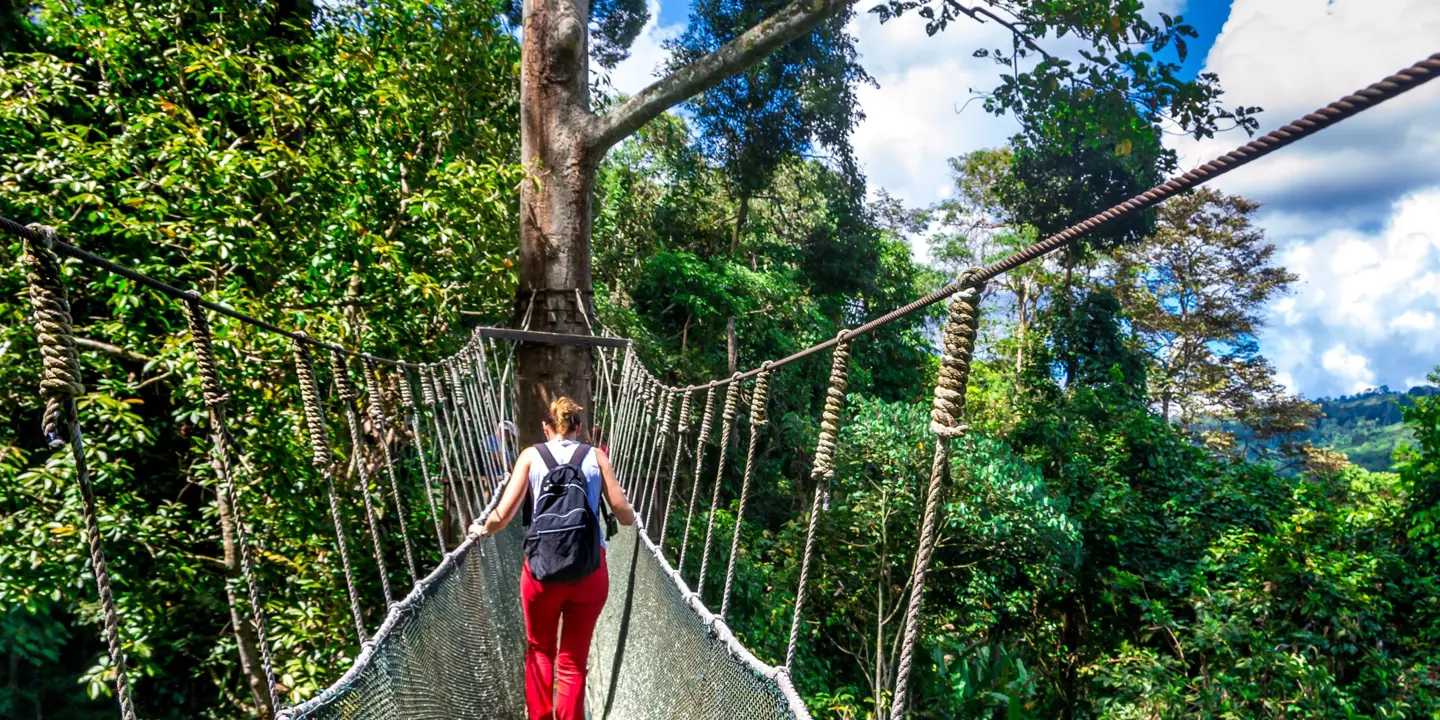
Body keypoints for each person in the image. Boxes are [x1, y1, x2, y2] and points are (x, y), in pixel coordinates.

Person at [469, 396, 635, 720]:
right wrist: (633, 514)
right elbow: (622, 514)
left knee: (540, 650)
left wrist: (481, 528)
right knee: (573, 662)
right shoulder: (597, 456)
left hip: (540, 573)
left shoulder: (531, 456)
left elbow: (502, 515)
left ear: (547, 428)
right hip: (589, 571)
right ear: (579, 427)